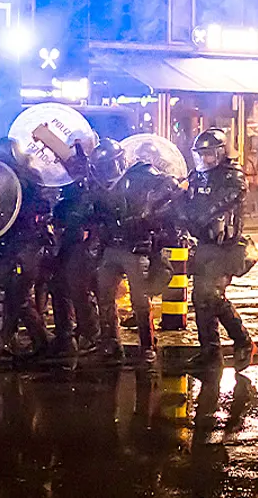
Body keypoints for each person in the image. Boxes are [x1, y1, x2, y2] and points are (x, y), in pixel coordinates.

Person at [182, 128, 256, 370]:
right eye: (201, 154)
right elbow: (185, 197)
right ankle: (210, 352)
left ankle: (243, 341)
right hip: (204, 244)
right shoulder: (197, 175)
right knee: (200, 299)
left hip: (226, 247)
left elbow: (229, 196)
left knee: (212, 295)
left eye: (209, 154)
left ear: (222, 152)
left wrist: (204, 212)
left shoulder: (232, 175)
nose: (205, 159)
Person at [94, 138, 163, 363]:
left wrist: (148, 210)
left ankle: (147, 345)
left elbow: (168, 184)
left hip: (135, 246)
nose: (107, 171)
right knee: (104, 296)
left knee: (140, 299)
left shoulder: (141, 174)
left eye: (109, 165)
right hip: (111, 246)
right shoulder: (99, 185)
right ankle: (111, 343)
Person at [0, 136, 54, 360]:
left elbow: (42, 207)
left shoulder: (30, 178)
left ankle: (25, 342)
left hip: (29, 243)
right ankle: (30, 342)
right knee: (13, 295)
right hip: (11, 242)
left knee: (18, 295)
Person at [49, 141, 110, 357]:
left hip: (83, 241)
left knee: (79, 287)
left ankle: (91, 333)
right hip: (67, 238)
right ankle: (65, 334)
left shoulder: (91, 179)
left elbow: (93, 208)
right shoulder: (64, 179)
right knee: (58, 286)